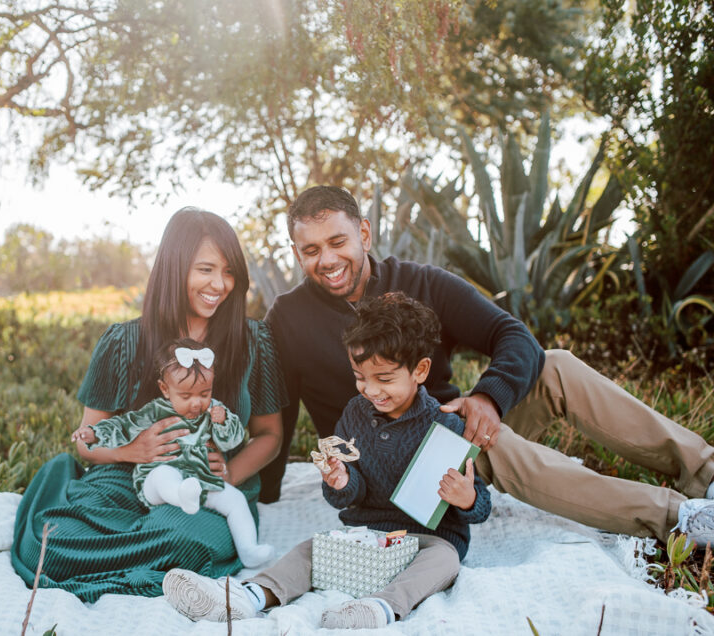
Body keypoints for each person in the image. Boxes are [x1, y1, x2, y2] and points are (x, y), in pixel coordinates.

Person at [258, 185, 714, 545]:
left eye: (337, 241)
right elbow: (278, 411)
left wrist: (486, 397)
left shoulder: (421, 281)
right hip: (384, 467)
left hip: (443, 422)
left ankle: (705, 472)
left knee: (554, 365)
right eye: (310, 250)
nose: (327, 260)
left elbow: (514, 337)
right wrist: (264, 493)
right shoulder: (287, 316)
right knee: (485, 443)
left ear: (365, 233)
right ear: (297, 253)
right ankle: (677, 517)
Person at [163, 292, 491, 629]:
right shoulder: (355, 414)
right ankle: (250, 596)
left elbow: (481, 506)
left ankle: (379, 609)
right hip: (368, 537)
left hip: (427, 541)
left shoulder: (446, 426)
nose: (371, 390)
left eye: (385, 379)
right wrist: (342, 482)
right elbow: (347, 493)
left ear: (420, 370)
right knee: (310, 550)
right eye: (360, 377)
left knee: (446, 560)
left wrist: (467, 499)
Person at [11, 208, 288, 600]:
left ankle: (125, 564)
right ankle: (136, 569)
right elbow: (85, 443)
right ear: (175, 269)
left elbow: (270, 435)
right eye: (205, 269)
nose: (220, 284)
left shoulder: (254, 341)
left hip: (207, 486)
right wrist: (132, 450)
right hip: (129, 478)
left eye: (229, 272)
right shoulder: (123, 341)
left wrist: (226, 474)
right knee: (53, 542)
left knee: (180, 538)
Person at [74, 338, 275, 567]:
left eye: (204, 393)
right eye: (186, 396)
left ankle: (248, 549)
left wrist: (224, 421)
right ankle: (180, 495)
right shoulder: (155, 411)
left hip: (201, 479)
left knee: (235, 500)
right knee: (163, 476)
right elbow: (124, 426)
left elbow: (233, 440)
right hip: (156, 481)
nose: (196, 403)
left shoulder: (212, 411)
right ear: (165, 389)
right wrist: (95, 433)